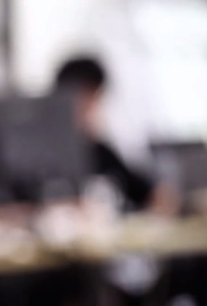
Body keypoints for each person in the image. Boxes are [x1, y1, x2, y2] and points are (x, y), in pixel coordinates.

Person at [55, 57, 174, 214]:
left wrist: (159, 194)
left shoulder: (99, 151)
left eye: (94, 98)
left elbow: (145, 192)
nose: (92, 107)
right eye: (85, 97)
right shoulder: (43, 158)